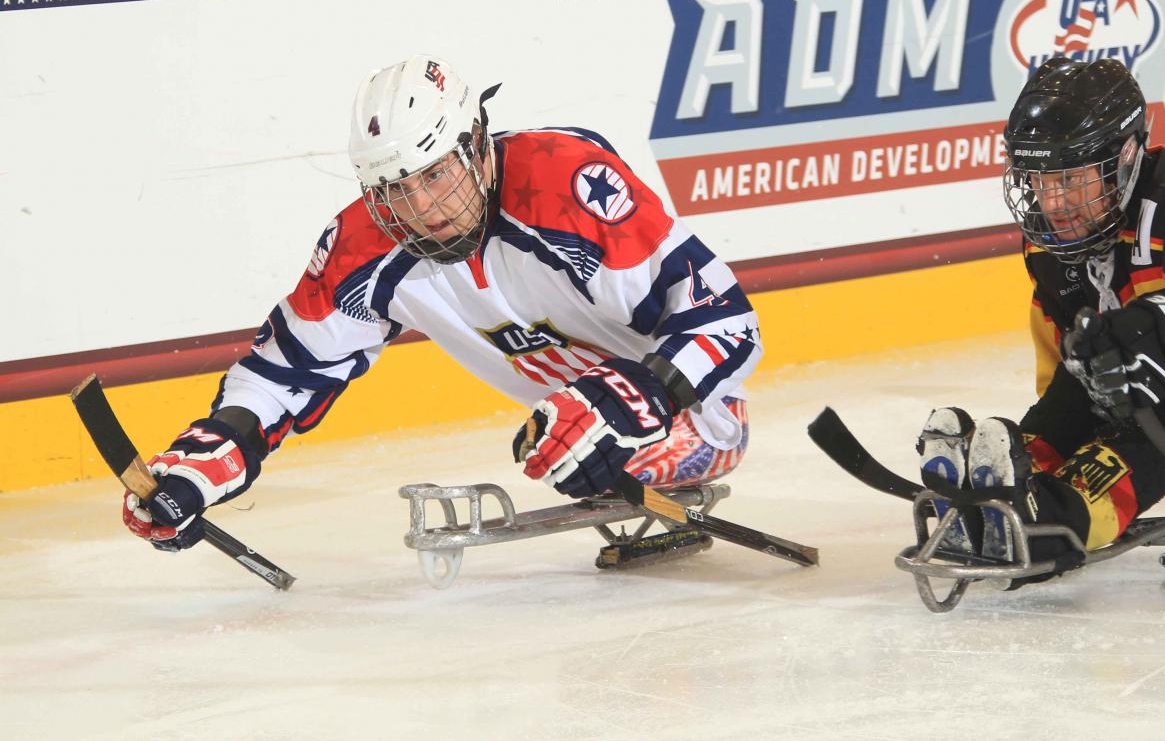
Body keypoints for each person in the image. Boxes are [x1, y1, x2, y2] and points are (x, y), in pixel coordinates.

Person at [122, 54, 762, 550]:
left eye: (435, 173)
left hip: (692, 404)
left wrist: (638, 395)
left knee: (646, 442)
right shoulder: (363, 244)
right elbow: (284, 371)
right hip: (568, 410)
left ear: (478, 147)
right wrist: (211, 457)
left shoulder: (565, 186)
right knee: (562, 443)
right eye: (396, 187)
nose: (423, 208)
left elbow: (728, 322)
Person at [916, 56, 1165, 577]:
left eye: (1069, 179)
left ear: (1126, 156)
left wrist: (1141, 338)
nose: (1053, 201)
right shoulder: (1048, 246)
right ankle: (995, 489)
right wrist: (1049, 435)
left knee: (1154, 376)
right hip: (1142, 402)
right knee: (1077, 386)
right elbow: (1062, 379)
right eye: (1040, 180)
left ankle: (1051, 524)